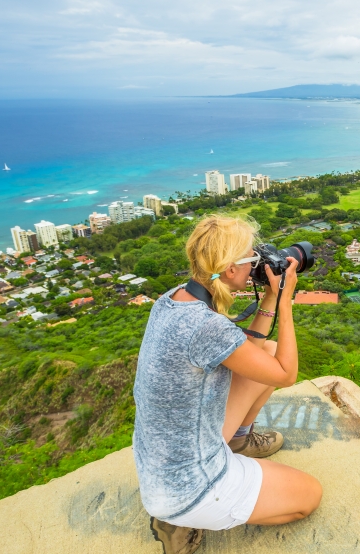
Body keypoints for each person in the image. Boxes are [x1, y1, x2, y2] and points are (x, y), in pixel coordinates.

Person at [132, 215, 322, 554]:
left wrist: (268, 298)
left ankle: (235, 443)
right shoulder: (205, 326)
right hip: (187, 486)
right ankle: (182, 521)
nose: (256, 267)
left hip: (159, 463)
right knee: (308, 496)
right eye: (251, 260)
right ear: (230, 267)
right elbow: (285, 374)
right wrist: (286, 299)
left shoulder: (173, 299)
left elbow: (251, 352)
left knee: (267, 352)